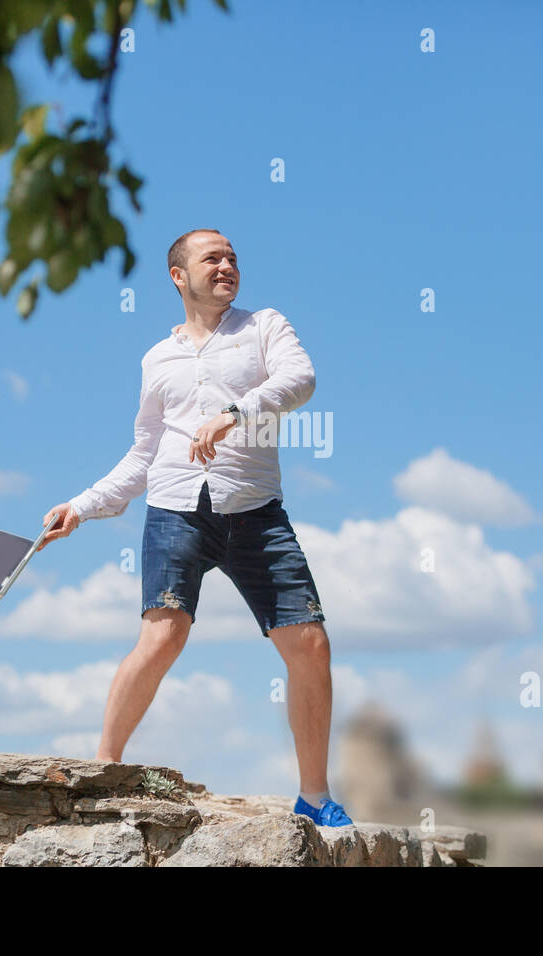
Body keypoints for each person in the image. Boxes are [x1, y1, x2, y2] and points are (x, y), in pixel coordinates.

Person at [37, 228, 353, 828]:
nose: (227, 265)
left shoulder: (264, 327)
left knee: (310, 646)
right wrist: (81, 505)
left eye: (233, 257)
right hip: (176, 508)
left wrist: (235, 413)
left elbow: (301, 379)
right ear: (179, 276)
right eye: (213, 258)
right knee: (163, 636)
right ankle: (102, 769)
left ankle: (314, 795)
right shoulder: (158, 358)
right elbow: (143, 452)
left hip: (256, 511)